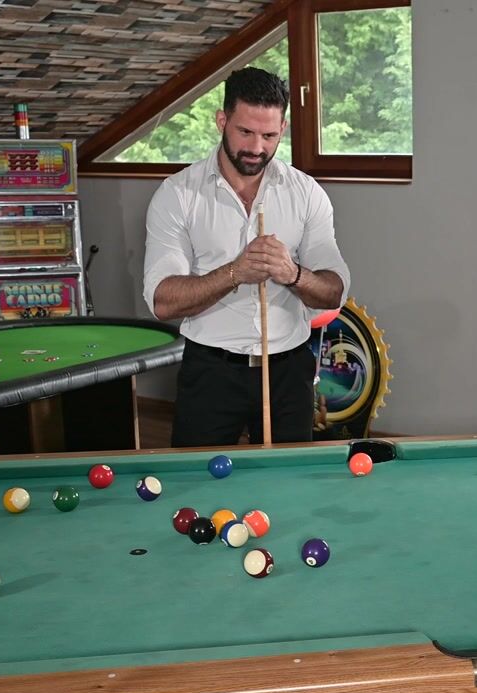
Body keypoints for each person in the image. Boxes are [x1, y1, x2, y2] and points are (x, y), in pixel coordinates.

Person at [143, 67, 350, 447]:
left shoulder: (307, 193)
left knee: (288, 481)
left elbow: (333, 292)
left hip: (288, 372)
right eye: (245, 132)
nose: (256, 147)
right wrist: (235, 273)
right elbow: (163, 301)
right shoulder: (177, 194)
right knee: (196, 479)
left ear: (283, 129)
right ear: (222, 121)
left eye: (269, 136)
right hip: (211, 371)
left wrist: (292, 273)